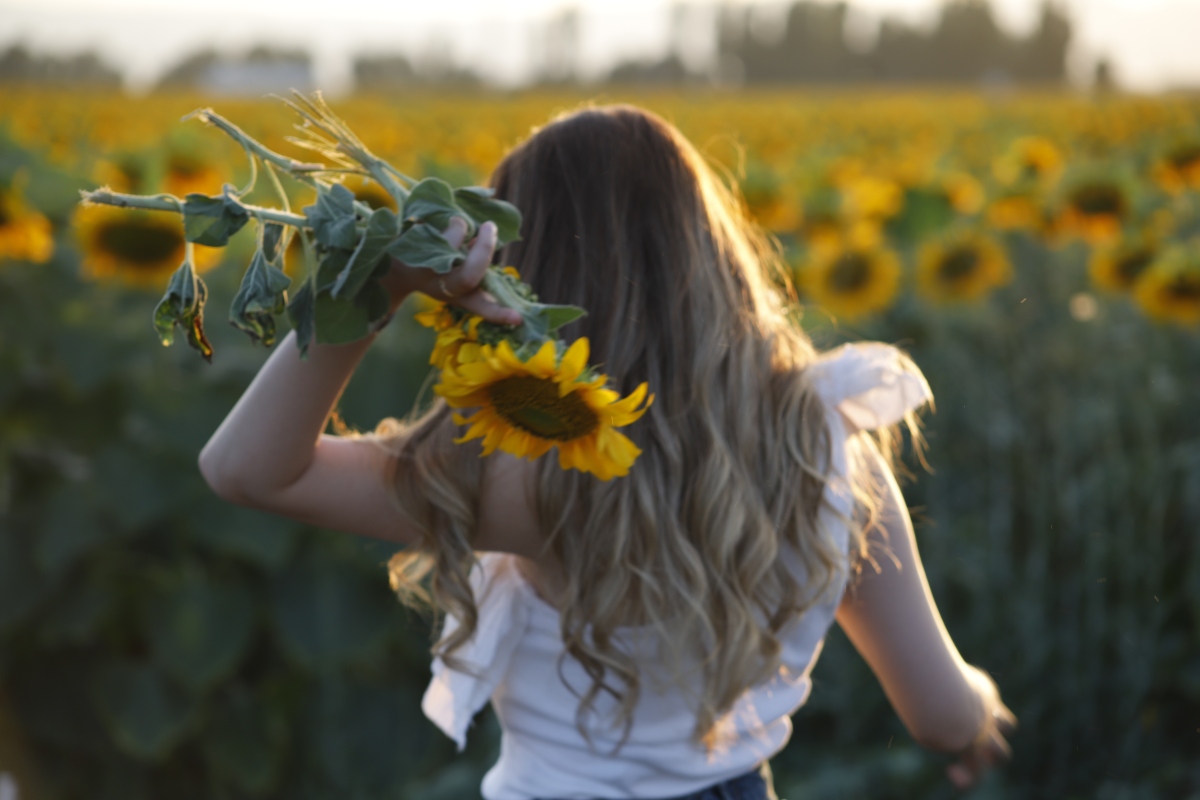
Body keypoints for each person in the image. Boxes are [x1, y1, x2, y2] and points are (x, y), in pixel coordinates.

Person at [198, 105, 1016, 800]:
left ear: (526, 270)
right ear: (713, 258)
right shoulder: (826, 457)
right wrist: (979, 712)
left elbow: (246, 468)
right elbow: (939, 714)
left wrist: (376, 285)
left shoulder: (520, 479)